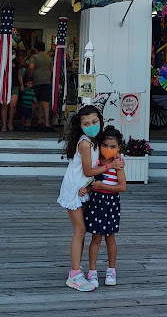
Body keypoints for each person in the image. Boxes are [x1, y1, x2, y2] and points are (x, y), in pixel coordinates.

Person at [57, 105, 124, 292]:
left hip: (83, 189)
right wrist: (111, 165)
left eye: (94, 122)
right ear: (81, 125)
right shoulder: (85, 143)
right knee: (80, 230)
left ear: (100, 120)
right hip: (73, 190)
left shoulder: (96, 140)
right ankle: (74, 274)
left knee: (84, 230)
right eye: (86, 123)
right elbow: (88, 171)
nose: (91, 125)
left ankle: (78, 270)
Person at [84, 126, 126, 288]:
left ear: (118, 148)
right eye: (105, 146)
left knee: (110, 238)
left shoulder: (119, 163)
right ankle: (92, 271)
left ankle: (111, 269)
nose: (108, 149)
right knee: (95, 238)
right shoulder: (96, 162)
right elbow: (92, 181)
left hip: (111, 203)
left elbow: (122, 187)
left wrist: (103, 186)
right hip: (96, 203)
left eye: (113, 146)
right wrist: (87, 189)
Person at [27, 40, 53, 131]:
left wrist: (29, 76)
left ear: (36, 49)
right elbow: (52, 70)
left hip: (36, 81)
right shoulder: (49, 58)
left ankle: (36, 120)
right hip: (46, 81)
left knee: (34, 101)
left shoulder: (34, 57)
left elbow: (31, 67)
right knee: (45, 102)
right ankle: (47, 122)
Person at [6, 54, 23, 131]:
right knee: (5, 105)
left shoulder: (17, 65)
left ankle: (10, 122)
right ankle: (4, 123)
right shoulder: (4, 63)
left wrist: (22, 84)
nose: (12, 54)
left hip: (15, 86)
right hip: (6, 86)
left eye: (13, 53)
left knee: (13, 105)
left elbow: (19, 75)